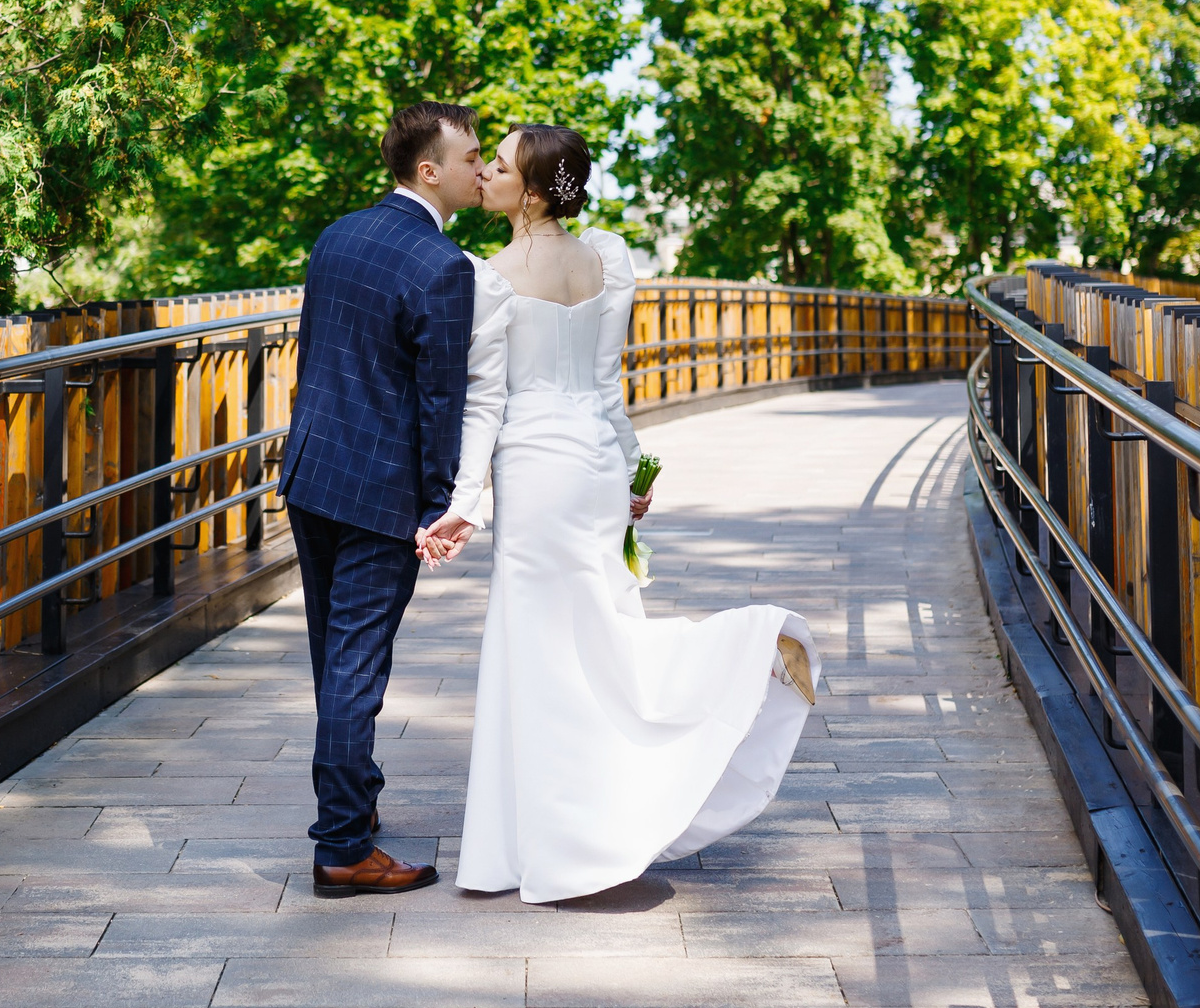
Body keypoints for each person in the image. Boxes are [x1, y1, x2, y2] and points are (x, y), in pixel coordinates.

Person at [420, 124, 819, 904]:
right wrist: (632, 472)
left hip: (534, 471)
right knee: (603, 631)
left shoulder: (487, 276)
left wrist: (464, 504)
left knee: (541, 651)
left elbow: (487, 403)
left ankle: (551, 841)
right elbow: (608, 387)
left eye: (497, 166)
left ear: (531, 191)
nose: (485, 175)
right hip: (596, 467)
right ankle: (730, 660)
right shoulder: (607, 258)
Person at [277, 101, 484, 896]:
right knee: (358, 662)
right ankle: (341, 847)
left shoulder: (337, 235)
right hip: (378, 492)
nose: (478, 167)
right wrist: (438, 503)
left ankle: (351, 807)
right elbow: (440, 399)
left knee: (336, 654)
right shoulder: (442, 265)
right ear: (427, 168)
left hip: (313, 471)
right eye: (468, 156)